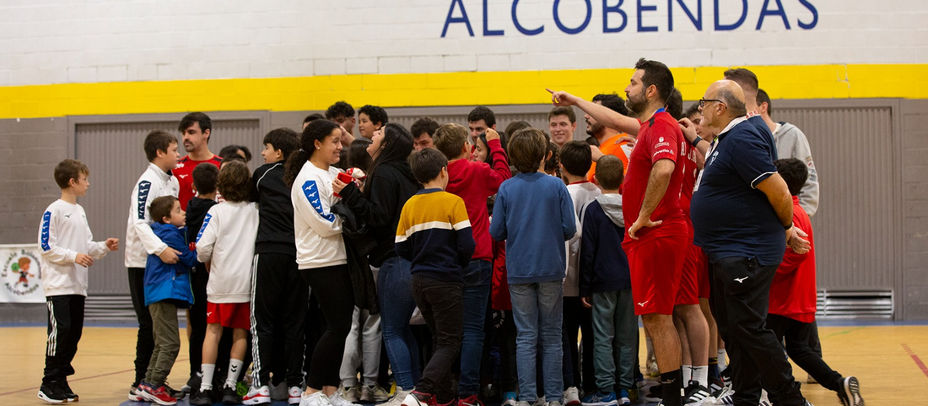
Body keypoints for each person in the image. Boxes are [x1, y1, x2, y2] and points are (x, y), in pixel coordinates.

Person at [690, 79, 811, 406]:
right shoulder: (727, 139)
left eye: (704, 102)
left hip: (744, 252)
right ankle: (745, 396)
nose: (699, 108)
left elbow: (778, 190)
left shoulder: (742, 138)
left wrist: (787, 227)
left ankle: (790, 399)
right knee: (733, 328)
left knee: (749, 328)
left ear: (720, 107)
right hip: (727, 250)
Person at [333, 123, 420, 404]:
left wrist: (349, 193)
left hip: (394, 259)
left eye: (379, 133)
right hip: (408, 259)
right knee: (403, 329)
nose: (373, 135)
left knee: (393, 329)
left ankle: (406, 390)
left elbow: (379, 216)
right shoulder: (404, 172)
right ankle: (416, 390)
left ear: (388, 143)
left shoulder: (383, 171)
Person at [490, 128, 577, 406]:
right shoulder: (556, 186)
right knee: (552, 335)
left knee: (525, 336)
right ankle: (554, 397)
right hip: (551, 267)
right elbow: (569, 228)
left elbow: (496, 231)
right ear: (544, 154)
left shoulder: (506, 188)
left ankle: (527, 397)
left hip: (519, 270)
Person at [768, 158, 863, 406]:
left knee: (768, 348)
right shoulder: (796, 211)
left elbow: (795, 255)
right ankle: (840, 384)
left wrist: (763, 272)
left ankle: (784, 394)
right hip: (795, 297)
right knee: (798, 349)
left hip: (783, 299)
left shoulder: (791, 214)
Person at [432, 123, 511, 406]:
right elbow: (504, 179)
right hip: (477, 257)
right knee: (474, 330)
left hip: (444, 259)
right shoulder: (476, 171)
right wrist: (496, 147)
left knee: (446, 332)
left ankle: (442, 391)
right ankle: (468, 392)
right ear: (466, 147)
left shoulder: (436, 176)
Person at [395, 148, 476, 406]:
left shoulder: (410, 204)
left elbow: (400, 246)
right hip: (446, 279)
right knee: (451, 341)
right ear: (444, 171)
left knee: (438, 338)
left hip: (419, 279)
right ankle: (422, 391)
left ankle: (442, 398)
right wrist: (456, 263)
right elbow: (467, 245)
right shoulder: (453, 202)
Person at [284, 119, 356, 406]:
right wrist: (351, 220)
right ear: (317, 143)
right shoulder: (308, 178)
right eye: (335, 141)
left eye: (340, 141)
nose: (340, 146)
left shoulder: (333, 173)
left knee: (339, 325)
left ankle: (330, 388)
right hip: (320, 261)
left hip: (339, 259)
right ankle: (311, 390)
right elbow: (325, 222)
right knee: (338, 325)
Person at [37, 159, 119, 404]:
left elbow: (85, 247)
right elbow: (46, 246)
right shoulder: (54, 210)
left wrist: (103, 246)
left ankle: (61, 379)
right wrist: (73, 256)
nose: (88, 183)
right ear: (72, 182)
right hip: (58, 285)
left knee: (73, 334)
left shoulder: (80, 211)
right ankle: (48, 382)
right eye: (85, 179)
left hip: (77, 286)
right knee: (59, 333)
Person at [243, 128, 306, 405]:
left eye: (266, 148)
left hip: (269, 252)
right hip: (300, 256)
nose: (262, 153)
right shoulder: (305, 175)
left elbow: (248, 198)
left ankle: (259, 383)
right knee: (295, 322)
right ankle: (295, 385)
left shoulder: (263, 174)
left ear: (278, 152)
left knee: (262, 321)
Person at [189, 161, 260, 405]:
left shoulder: (215, 211)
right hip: (245, 282)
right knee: (241, 334)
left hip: (220, 282)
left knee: (213, 331)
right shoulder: (256, 210)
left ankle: (206, 387)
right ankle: (231, 386)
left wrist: (207, 262)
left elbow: (202, 248)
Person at [126, 131, 181, 401]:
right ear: (160, 152)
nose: (178, 153)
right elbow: (140, 223)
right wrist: (160, 249)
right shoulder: (147, 181)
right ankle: (140, 382)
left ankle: (154, 380)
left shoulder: (171, 182)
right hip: (142, 262)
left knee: (160, 328)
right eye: (174, 149)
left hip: (162, 262)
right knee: (148, 324)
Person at [577, 155, 634, 406]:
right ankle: (625, 389)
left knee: (603, 337)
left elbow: (587, 251)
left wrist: (584, 287)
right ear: (623, 179)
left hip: (601, 281)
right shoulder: (633, 207)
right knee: (627, 337)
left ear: (596, 180)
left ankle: (606, 390)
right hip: (630, 280)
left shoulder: (593, 209)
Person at [139, 196, 197, 405]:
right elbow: (190, 259)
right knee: (170, 343)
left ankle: (149, 383)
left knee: (162, 342)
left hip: (159, 292)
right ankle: (154, 385)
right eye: (178, 211)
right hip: (162, 292)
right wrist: (198, 246)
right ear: (165, 218)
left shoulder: (166, 231)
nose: (183, 214)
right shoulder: (169, 234)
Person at [558, 141, 601, 404]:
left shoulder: (565, 195)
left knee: (568, 335)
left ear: (561, 166)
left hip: (570, 278)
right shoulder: (599, 190)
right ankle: (594, 386)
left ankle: (571, 384)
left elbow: (570, 235)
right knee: (593, 336)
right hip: (595, 278)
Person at [183, 163, 219, 395]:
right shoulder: (216, 211)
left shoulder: (189, 208)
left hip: (193, 275)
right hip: (212, 273)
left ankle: (195, 372)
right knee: (213, 327)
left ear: (194, 186)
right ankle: (213, 373)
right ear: (217, 186)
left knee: (196, 326)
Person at [756, 89, 820, 217]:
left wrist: (795, 219)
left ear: (763, 107)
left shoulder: (792, 135)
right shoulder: (748, 140)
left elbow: (809, 183)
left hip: (789, 221)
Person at [174, 112, 222, 210]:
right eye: (183, 133)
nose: (186, 137)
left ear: (206, 133)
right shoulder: (175, 168)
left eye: (191, 132)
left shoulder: (223, 166)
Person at [584, 94, 633, 183]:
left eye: (593, 112)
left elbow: (630, 184)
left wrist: (603, 160)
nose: (586, 116)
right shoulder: (603, 149)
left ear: (608, 117)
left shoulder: (623, 145)